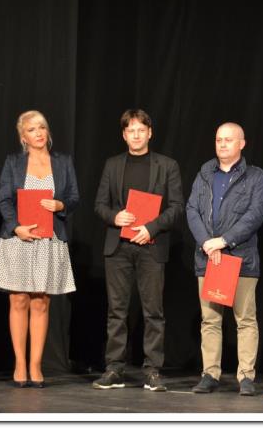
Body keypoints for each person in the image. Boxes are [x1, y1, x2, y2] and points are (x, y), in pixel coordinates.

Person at [0, 110, 79, 389]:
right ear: (22, 136)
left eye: (42, 128)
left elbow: (74, 197)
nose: (38, 133)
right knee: (18, 300)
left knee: (40, 301)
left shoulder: (63, 161)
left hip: (49, 239)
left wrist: (60, 205)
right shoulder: (13, 162)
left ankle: (36, 365)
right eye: (31, 129)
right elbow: (4, 200)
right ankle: (20, 363)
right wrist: (16, 227)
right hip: (20, 239)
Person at [93, 109, 184, 392]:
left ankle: (152, 370)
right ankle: (114, 369)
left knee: (153, 311)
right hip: (118, 245)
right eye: (131, 130)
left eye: (141, 130)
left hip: (150, 246)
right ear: (124, 135)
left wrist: (152, 228)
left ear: (150, 133)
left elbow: (177, 207)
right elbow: (99, 205)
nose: (136, 135)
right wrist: (114, 217)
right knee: (116, 311)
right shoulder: (112, 165)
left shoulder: (167, 165)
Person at [186, 122, 263, 396]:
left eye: (228, 140)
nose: (222, 144)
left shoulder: (255, 176)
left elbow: (255, 215)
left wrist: (223, 241)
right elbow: (192, 209)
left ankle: (246, 376)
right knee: (210, 320)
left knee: (245, 320)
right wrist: (207, 243)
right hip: (208, 257)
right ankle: (210, 373)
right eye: (219, 139)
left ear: (241, 144)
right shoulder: (204, 173)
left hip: (240, 258)